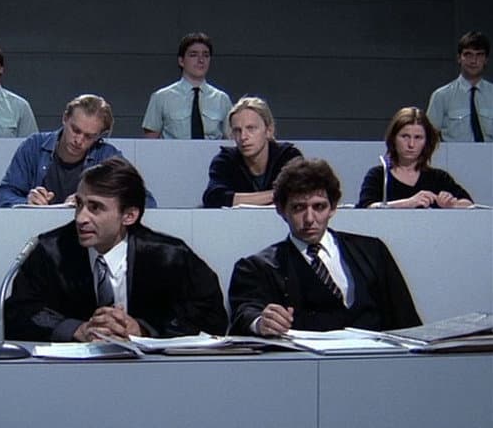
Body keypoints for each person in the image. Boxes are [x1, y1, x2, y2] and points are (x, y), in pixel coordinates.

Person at [5, 157, 227, 342]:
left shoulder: (170, 256)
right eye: (79, 204)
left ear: (129, 216)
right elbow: (18, 313)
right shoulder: (50, 251)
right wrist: (77, 329)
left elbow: (211, 315)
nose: (81, 218)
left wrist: (143, 330)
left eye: (95, 207)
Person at [229, 157, 421, 336]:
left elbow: (406, 320)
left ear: (333, 207)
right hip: (304, 359)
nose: (309, 219)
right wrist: (260, 323)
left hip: (377, 356)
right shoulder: (258, 267)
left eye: (319, 207)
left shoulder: (373, 251)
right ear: (281, 210)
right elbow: (245, 313)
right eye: (298, 208)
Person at [0, 93, 157, 207]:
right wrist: (27, 202)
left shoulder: (107, 156)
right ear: (65, 118)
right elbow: (1, 197)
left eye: (89, 136)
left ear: (100, 136)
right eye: (75, 130)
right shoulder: (34, 146)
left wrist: (95, 202)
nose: (79, 140)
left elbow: (146, 201)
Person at [357, 107, 473, 208]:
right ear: (393, 138)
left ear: (426, 142)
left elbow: (469, 204)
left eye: (418, 137)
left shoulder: (439, 178)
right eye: (405, 136)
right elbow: (366, 207)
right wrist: (409, 203)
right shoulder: (379, 176)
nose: (411, 144)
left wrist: (452, 205)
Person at [203, 96, 303, 207]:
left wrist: (237, 199)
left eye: (251, 128)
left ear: (269, 131)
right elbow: (214, 197)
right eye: (237, 130)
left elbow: (301, 192)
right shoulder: (225, 161)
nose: (243, 137)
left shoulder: (288, 157)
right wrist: (277, 194)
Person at [142, 32, 233, 139]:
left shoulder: (222, 100)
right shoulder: (161, 98)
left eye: (206, 55)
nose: (201, 60)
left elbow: (232, 140)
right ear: (181, 61)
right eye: (193, 55)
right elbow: (149, 142)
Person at [427, 31, 491, 142]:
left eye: (479, 55)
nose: (473, 61)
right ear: (459, 58)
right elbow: (428, 137)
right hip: (453, 153)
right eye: (468, 54)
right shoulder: (441, 96)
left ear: (486, 60)